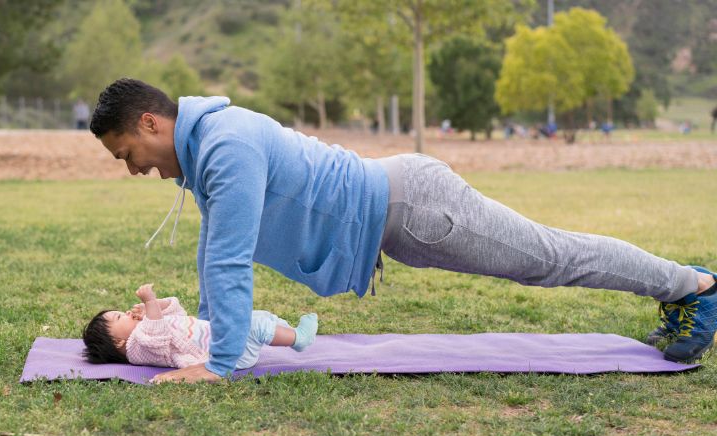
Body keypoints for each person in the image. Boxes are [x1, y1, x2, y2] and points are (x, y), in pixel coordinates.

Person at [89, 78, 717, 383]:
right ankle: (680, 290)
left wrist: (218, 365)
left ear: (150, 122)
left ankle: (693, 285)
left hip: (415, 205)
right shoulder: (207, 153)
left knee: (550, 257)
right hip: (399, 211)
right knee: (552, 257)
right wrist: (207, 343)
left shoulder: (225, 148)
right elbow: (214, 253)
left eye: (126, 153)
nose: (133, 168)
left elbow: (227, 263)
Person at [82, 283, 318, 374]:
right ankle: (299, 338)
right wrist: (150, 303)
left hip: (221, 337)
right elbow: (158, 335)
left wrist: (159, 305)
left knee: (253, 317)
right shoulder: (137, 348)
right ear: (117, 342)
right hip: (226, 354)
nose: (124, 313)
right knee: (253, 326)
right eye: (117, 317)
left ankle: (287, 331)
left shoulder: (145, 328)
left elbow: (179, 314)